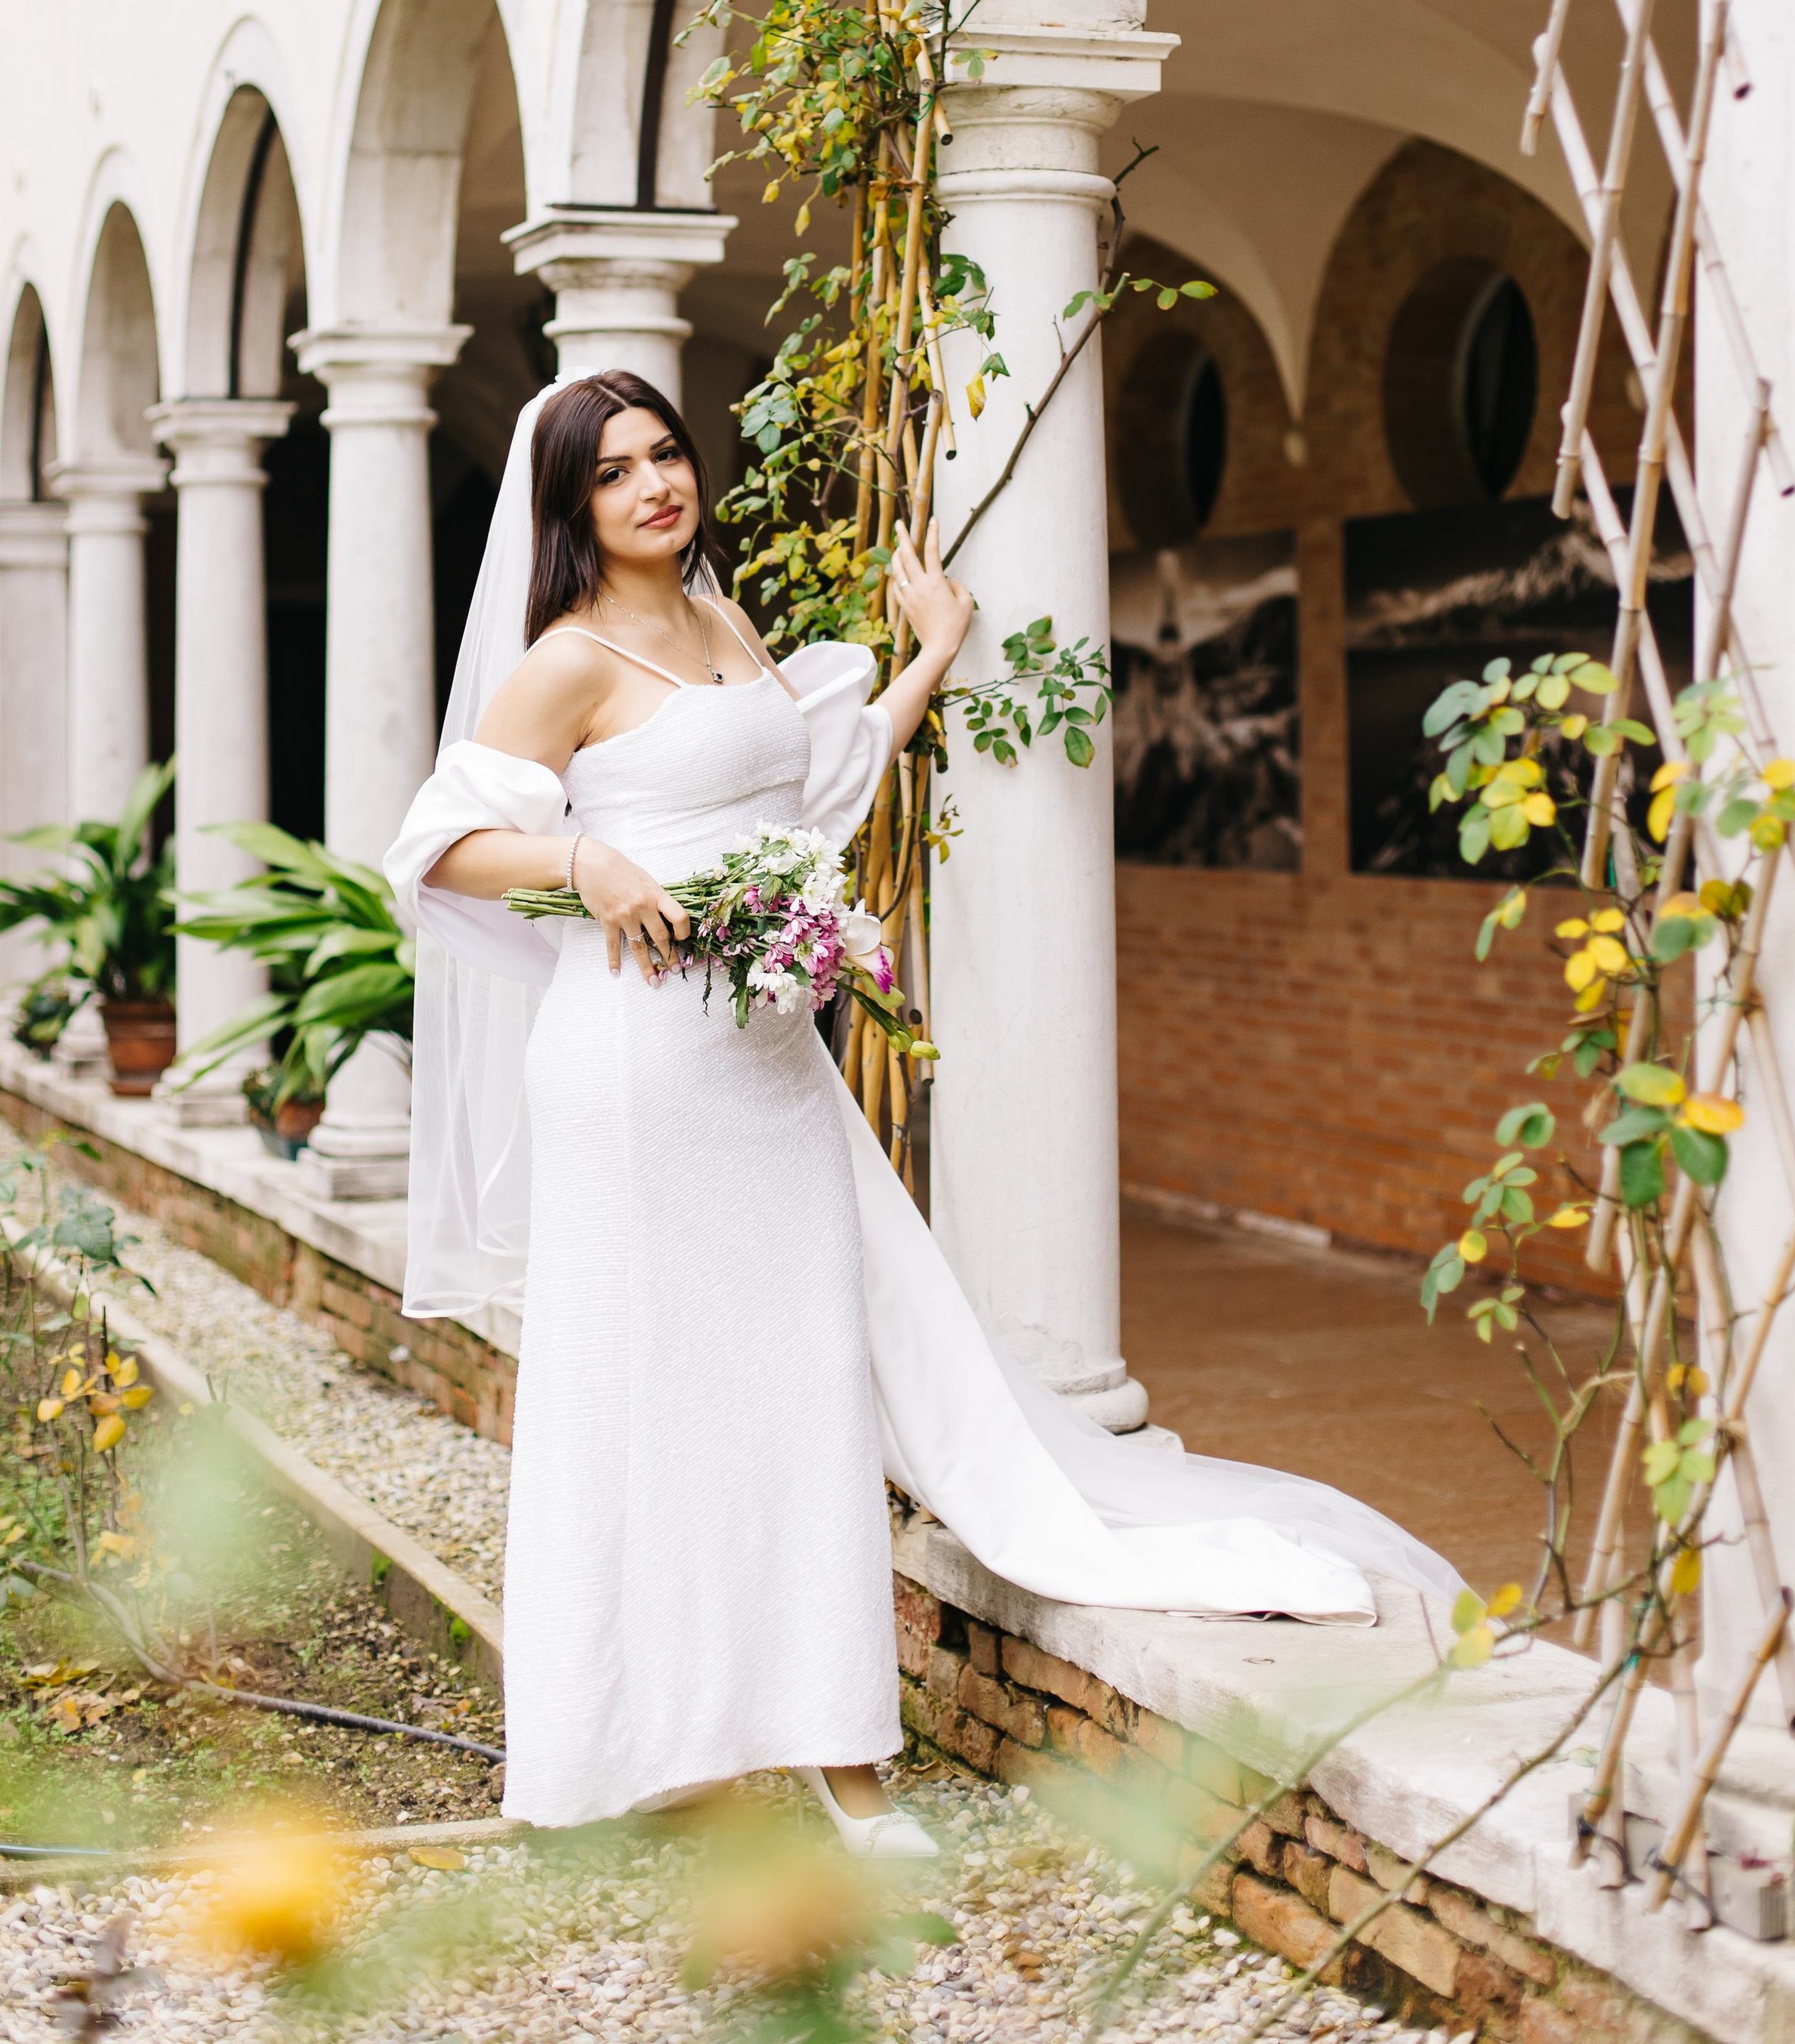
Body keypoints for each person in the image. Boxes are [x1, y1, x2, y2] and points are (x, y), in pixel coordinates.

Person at [387, 374, 1458, 1852]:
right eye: (613, 473)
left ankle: (842, 1758)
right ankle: (650, 1744)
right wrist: (582, 868)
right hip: (631, 1074)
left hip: (763, 1065)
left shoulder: (723, 623)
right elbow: (435, 847)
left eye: (666, 456)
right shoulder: (561, 663)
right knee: (654, 1398)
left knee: (809, 1385)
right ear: (570, 507)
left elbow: (805, 800)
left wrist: (926, 659)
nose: (653, 486)